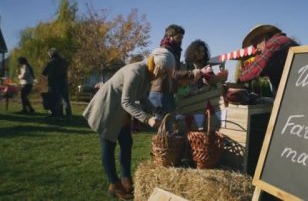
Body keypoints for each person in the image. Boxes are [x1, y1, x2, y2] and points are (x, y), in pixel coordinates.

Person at [83, 47, 175, 200]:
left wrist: (153, 110)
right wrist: (147, 119)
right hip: (107, 109)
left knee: (126, 143)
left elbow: (141, 96)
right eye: (165, 71)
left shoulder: (147, 74)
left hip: (121, 113)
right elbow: (126, 101)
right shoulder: (136, 72)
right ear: (157, 66)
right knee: (108, 146)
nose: (165, 75)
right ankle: (114, 184)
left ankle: (126, 178)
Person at [149, 24, 205, 123]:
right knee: (165, 128)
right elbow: (172, 73)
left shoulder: (173, 51)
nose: (181, 40)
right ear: (169, 37)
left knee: (168, 128)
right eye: (178, 37)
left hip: (167, 92)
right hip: (161, 93)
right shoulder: (165, 51)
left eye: (182, 38)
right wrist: (191, 74)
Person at [238, 24, 299, 95]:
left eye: (255, 45)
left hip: (292, 94)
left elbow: (254, 70)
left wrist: (239, 79)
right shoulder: (285, 41)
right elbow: (265, 70)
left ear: (264, 38)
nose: (256, 49)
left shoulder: (274, 43)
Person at [42, 48, 72, 117]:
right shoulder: (64, 61)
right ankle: (68, 114)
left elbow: (44, 72)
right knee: (65, 99)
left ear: (51, 54)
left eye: (49, 54)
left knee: (55, 99)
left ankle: (56, 113)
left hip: (54, 83)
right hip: (64, 81)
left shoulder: (51, 62)